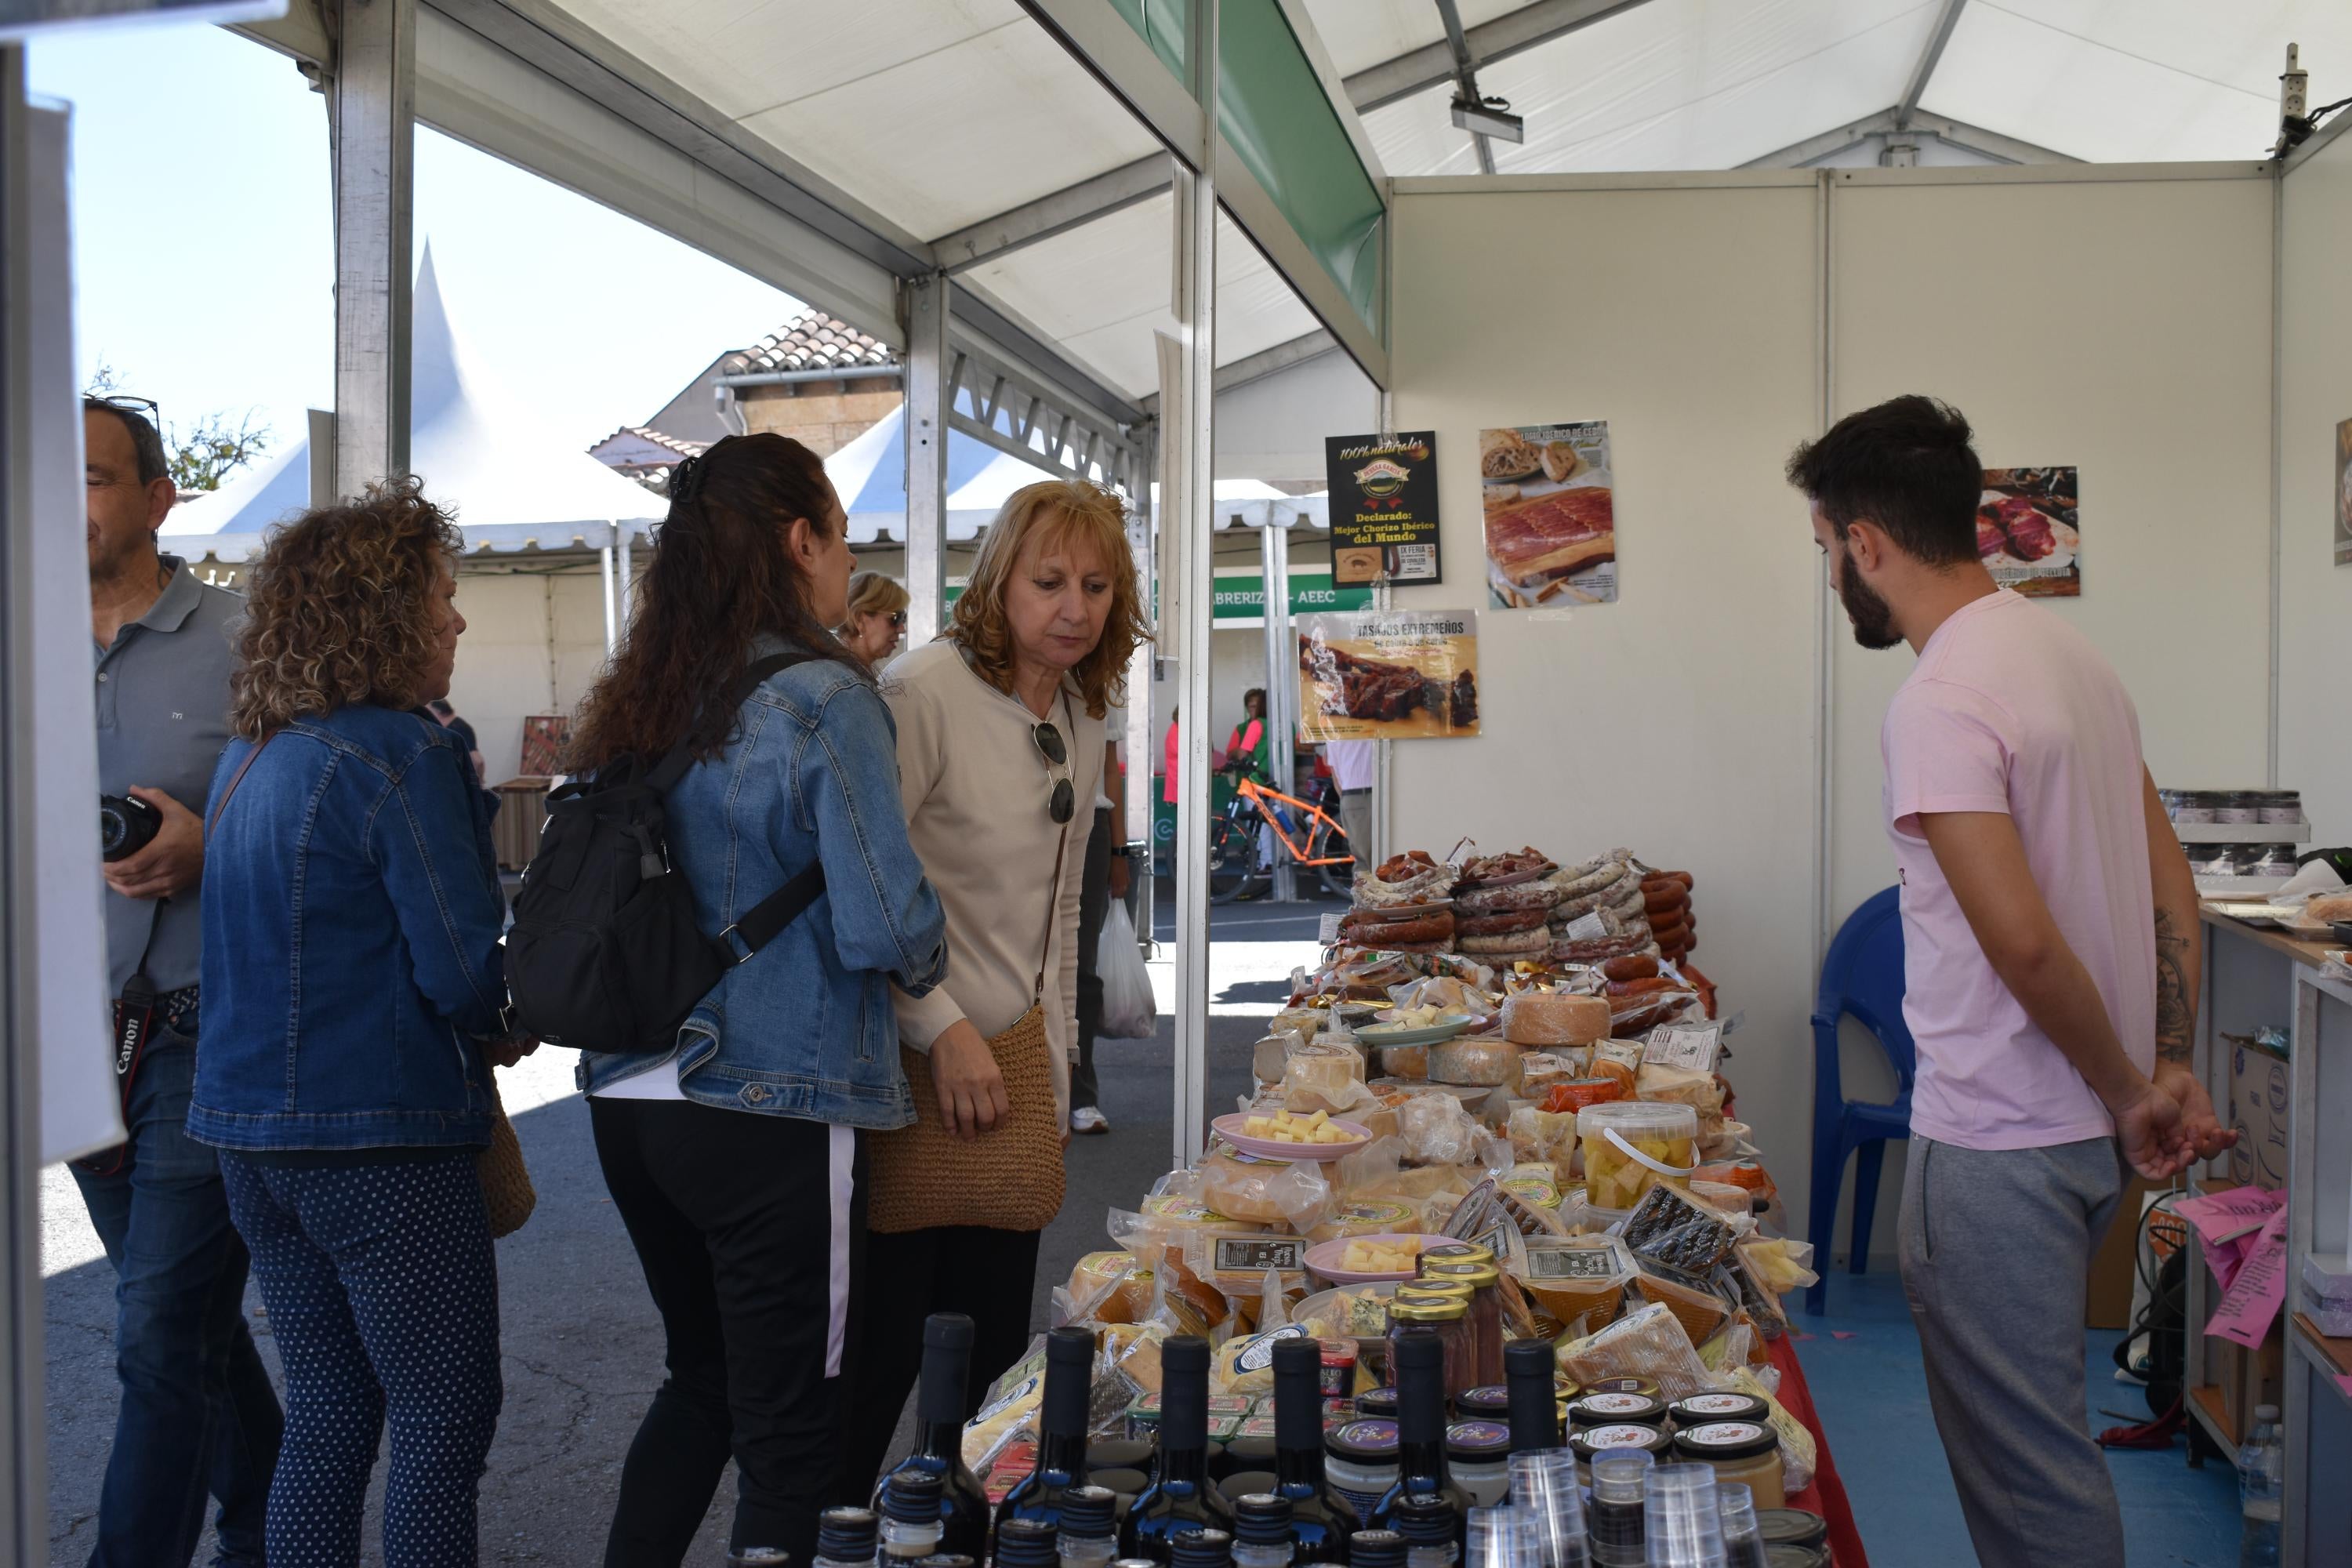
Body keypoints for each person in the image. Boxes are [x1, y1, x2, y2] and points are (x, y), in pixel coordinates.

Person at [1784, 395, 2234, 1568]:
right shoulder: (2074, 660)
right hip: (2082, 1144)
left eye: (1826, 549)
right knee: (2046, 1456)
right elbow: (2170, 888)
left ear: (1865, 543)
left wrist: (2136, 1089)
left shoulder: (1940, 700)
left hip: (1994, 1146)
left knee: (2032, 1487)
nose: (1832, 572)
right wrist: (2163, 1068)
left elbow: (2021, 943)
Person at [567, 434, 948, 1568]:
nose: (846, 563)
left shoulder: (646, 690)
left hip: (628, 1096)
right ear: (801, 541)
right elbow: (887, 925)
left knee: (705, 1381)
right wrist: (938, 957)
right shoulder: (825, 697)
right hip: (766, 1098)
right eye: (839, 535)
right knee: (797, 1437)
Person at [189, 478, 528, 1567]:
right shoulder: (402, 750)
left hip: (249, 1137)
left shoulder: (253, 753)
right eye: (441, 595)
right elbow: (465, 970)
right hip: (377, 1137)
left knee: (330, 1414)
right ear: (385, 612)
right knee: (442, 1418)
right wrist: (520, 1013)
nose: (457, 619)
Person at [842, 477, 1149, 1490]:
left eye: (1097, 585)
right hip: (909, 1060)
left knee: (986, 1357)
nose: (1075, 607)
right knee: (882, 1352)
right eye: (1050, 581)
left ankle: (957, 1531)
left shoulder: (1083, 706)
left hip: (1011, 1062)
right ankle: (835, 1530)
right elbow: (864, 883)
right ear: (999, 582)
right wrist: (938, 1026)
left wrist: (1059, 1064)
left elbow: (1061, 911)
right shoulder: (922, 693)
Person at [75, 395, 283, 1568]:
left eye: (95, 478)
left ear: (158, 498)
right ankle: (262, 1515)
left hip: (209, 1032)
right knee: (185, 1326)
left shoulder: (247, 643)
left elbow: (320, 816)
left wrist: (214, 844)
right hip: (75, 1038)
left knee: (158, 1327)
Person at [1069, 739, 1132, 1136]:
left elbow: (1111, 769)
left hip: (1091, 822)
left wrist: (1118, 852)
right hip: (1022, 815)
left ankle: (1080, 1094)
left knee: (1079, 968)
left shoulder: (1104, 680)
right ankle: (1028, 1091)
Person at [838, 569, 910, 668]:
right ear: (859, 619)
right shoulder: (839, 677)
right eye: (896, 618)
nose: (902, 629)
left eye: (903, 618)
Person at [1325, 738, 1376, 875]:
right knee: (1370, 862)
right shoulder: (1367, 724)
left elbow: (1333, 770)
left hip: (1351, 796)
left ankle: (1365, 896)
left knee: (1364, 860)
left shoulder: (1333, 728)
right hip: (1364, 793)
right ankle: (1368, 896)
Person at [428, 695, 489, 783]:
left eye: (428, 712)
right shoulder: (456, 726)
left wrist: (476, 785)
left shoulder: (458, 729)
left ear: (438, 712)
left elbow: (477, 761)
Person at [1225, 688, 1269, 780]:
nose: (1256, 710)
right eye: (1252, 706)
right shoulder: (1240, 729)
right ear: (1247, 709)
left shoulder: (1267, 725)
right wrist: (1239, 751)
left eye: (1259, 706)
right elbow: (1230, 755)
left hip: (1261, 777)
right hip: (1246, 778)